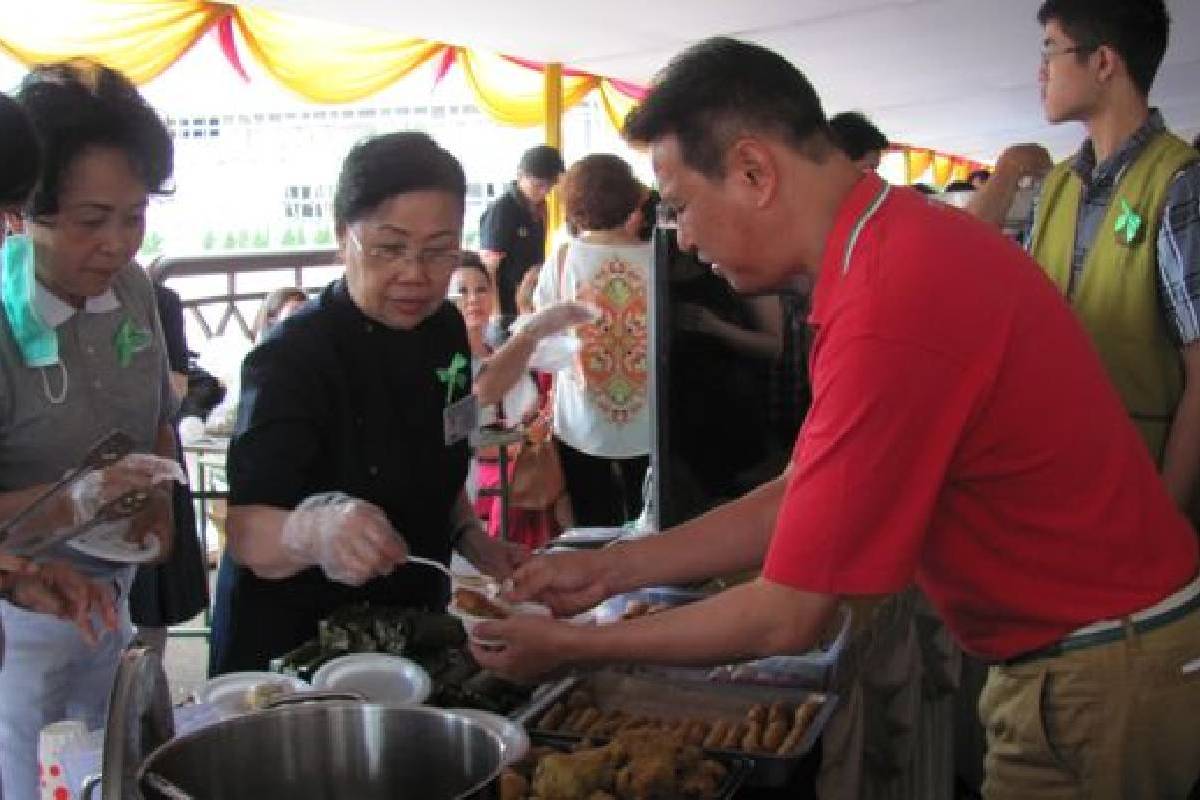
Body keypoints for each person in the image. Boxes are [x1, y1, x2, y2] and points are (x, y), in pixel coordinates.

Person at [472, 37, 1200, 800]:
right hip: (1086, 656)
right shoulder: (882, 250)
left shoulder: (893, 295)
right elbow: (800, 495)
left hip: (1101, 673)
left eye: (682, 207)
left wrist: (568, 648)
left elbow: (789, 616)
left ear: (754, 172)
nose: (681, 238)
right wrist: (610, 568)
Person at [209, 132, 591, 674]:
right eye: (390, 249)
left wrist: (473, 540)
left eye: (438, 251)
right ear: (343, 238)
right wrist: (312, 532)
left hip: (411, 620)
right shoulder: (291, 358)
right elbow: (247, 531)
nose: (416, 273)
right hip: (295, 647)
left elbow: (445, 441)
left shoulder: (442, 330)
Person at [0, 61, 183, 800]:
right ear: (24, 213)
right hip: (21, 617)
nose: (115, 244)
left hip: (110, 595)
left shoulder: (133, 289)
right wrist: (74, 500)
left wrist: (160, 511)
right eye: (88, 221)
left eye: (133, 216)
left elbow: (160, 425)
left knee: (115, 771)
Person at [969, 0, 1200, 513]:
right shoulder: (1058, 185)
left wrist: (1165, 518)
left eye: (1051, 50)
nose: (1040, 70)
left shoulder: (1179, 182)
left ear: (1103, 63)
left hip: (1140, 491)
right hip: (1060, 482)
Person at [532, 154, 651, 527]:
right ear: (632, 199)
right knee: (647, 519)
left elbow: (541, 332)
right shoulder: (656, 257)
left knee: (589, 517)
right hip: (648, 413)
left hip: (580, 411)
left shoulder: (563, 259)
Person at [449, 256, 560, 548]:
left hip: (518, 457)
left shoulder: (502, 355)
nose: (473, 299)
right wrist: (521, 437)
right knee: (522, 477)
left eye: (481, 289)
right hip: (476, 469)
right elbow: (462, 437)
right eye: (462, 291)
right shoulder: (450, 365)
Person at [478, 145, 565, 317]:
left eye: (549, 186)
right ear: (520, 175)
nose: (544, 192)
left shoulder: (540, 207)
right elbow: (489, 268)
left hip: (529, 300)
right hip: (506, 305)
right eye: (538, 185)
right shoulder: (502, 211)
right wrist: (497, 316)